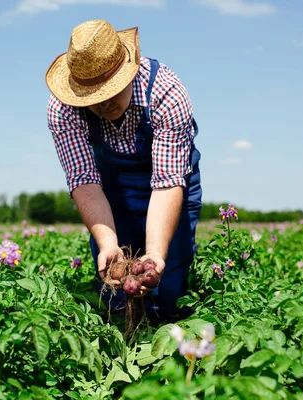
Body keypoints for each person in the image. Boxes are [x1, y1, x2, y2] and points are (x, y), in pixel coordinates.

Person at [45, 19, 202, 323]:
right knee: (116, 291)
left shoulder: (165, 92)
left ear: (127, 72)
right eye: (93, 98)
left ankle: (170, 350)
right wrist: (108, 244)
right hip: (110, 192)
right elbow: (85, 181)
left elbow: (167, 183)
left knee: (170, 288)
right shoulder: (62, 109)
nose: (103, 104)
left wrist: (155, 253)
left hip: (168, 190)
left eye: (110, 92)